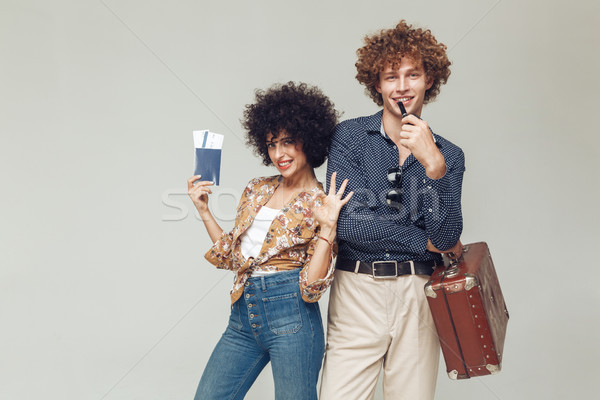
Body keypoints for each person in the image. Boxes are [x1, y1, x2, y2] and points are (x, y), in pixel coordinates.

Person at [320, 20, 465, 400]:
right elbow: (350, 225)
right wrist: (425, 240)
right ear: (377, 84)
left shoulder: (449, 155)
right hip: (356, 290)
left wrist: (433, 164)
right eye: (390, 77)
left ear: (429, 79)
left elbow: (447, 236)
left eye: (412, 74)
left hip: (419, 294)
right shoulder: (349, 137)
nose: (402, 86)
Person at [187, 82, 352, 400]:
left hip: (292, 318)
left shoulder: (322, 202)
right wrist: (204, 210)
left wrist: (328, 229)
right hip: (242, 316)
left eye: (288, 142)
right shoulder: (256, 189)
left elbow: (312, 288)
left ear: (309, 139)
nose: (279, 154)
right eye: (272, 144)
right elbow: (233, 259)